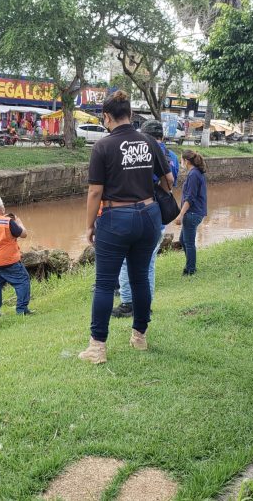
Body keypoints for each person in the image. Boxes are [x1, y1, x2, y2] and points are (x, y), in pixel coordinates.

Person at [79, 91, 174, 364]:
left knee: (104, 284)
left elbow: (95, 192)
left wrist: (89, 226)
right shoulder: (149, 141)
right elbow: (168, 181)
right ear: (131, 115)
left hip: (115, 218)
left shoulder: (103, 146)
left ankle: (97, 348)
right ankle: (139, 337)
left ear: (106, 117)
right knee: (140, 278)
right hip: (149, 217)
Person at [112, 119, 179, 318]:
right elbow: (170, 182)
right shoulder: (173, 156)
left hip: (138, 210)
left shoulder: (142, 151)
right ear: (163, 136)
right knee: (149, 262)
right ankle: (145, 305)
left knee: (126, 261)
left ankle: (127, 303)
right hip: (158, 215)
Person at [0, 194, 33, 317]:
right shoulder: (7, 222)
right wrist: (19, 222)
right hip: (8, 260)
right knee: (23, 280)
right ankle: (22, 310)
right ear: (1, 207)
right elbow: (23, 234)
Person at [176, 150, 207, 276]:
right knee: (183, 240)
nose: (180, 163)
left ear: (186, 161)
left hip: (192, 213)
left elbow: (190, 197)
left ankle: (190, 270)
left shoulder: (194, 174)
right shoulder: (195, 173)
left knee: (188, 242)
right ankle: (190, 264)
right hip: (194, 212)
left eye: (181, 160)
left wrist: (180, 214)